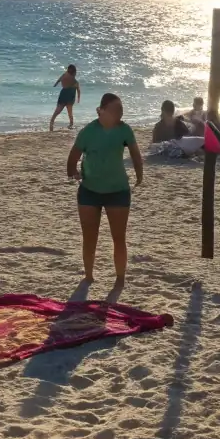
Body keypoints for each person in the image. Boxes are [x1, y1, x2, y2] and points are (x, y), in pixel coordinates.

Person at [67, 93, 143, 288]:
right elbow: (72, 158)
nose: (120, 112)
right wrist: (74, 173)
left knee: (119, 237)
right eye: (116, 109)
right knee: (89, 236)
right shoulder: (88, 131)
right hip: (89, 191)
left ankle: (120, 278)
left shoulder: (124, 130)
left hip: (117, 191)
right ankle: (89, 276)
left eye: (121, 109)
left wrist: (139, 174)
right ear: (102, 111)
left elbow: (135, 153)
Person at [50, 65, 81, 131]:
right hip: (70, 98)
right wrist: (78, 98)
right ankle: (71, 124)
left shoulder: (64, 75)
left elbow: (58, 80)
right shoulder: (75, 82)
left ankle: (52, 121)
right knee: (70, 112)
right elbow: (78, 90)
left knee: (57, 111)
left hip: (63, 95)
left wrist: (55, 85)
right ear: (74, 72)